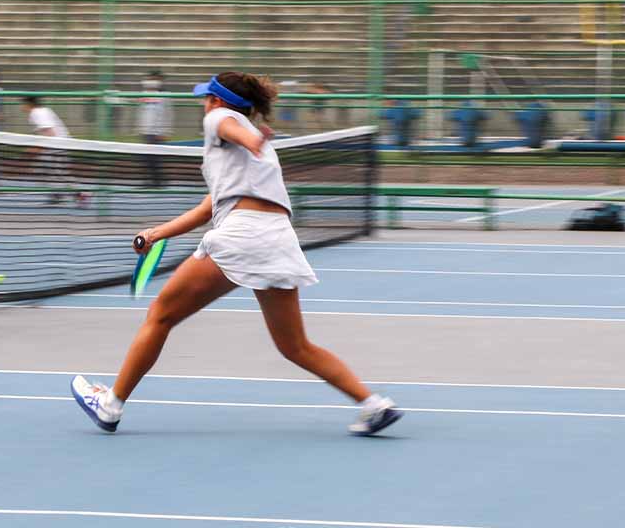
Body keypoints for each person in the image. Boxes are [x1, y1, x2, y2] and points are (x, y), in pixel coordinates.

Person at [71, 71, 403, 436]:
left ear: (217, 100)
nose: (204, 104)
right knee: (295, 346)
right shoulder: (246, 158)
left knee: (161, 315)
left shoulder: (222, 121)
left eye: (206, 98)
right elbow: (206, 209)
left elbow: (231, 126)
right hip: (278, 241)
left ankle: (110, 405)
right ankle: (374, 405)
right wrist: (154, 234)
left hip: (243, 236)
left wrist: (252, 136)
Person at [137, 70, 174, 187]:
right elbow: (140, 111)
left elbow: (168, 114)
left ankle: (158, 181)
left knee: (155, 158)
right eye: (150, 78)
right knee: (145, 158)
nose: (152, 81)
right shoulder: (143, 94)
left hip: (157, 132)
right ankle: (150, 180)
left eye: (155, 79)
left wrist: (164, 131)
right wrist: (140, 129)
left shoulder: (165, 96)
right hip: (145, 131)